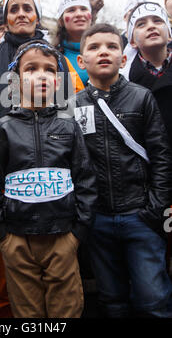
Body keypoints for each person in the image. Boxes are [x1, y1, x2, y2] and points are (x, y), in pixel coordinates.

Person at [0, 0, 84, 318]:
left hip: (56, 194)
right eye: (13, 8)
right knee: (5, 278)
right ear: (6, 16)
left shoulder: (59, 63)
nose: (20, 13)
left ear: (36, 15)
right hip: (5, 186)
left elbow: (75, 119)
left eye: (27, 8)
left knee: (61, 287)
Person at [0, 40, 97, 318]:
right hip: (17, 238)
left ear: (58, 82)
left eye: (49, 69)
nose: (41, 75)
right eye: (31, 69)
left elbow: (85, 180)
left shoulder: (68, 126)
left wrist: (77, 233)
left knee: (66, 309)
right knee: (26, 310)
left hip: (62, 237)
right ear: (15, 80)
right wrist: (2, 235)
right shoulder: (3, 128)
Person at [75, 23, 172, 318]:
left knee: (153, 298)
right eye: (94, 47)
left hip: (140, 216)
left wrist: (155, 207)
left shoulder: (142, 97)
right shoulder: (73, 105)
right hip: (98, 220)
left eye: (111, 46)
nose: (103, 52)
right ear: (81, 61)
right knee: (111, 300)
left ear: (124, 57)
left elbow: (161, 154)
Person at [121, 2, 172, 147]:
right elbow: (64, 114)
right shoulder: (123, 82)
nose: (151, 26)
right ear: (131, 41)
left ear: (169, 35)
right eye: (141, 24)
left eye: (157, 21)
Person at [54, 0, 98, 86]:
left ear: (91, 16)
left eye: (83, 9)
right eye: (71, 10)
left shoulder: (105, 50)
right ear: (61, 20)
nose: (79, 14)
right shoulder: (52, 56)